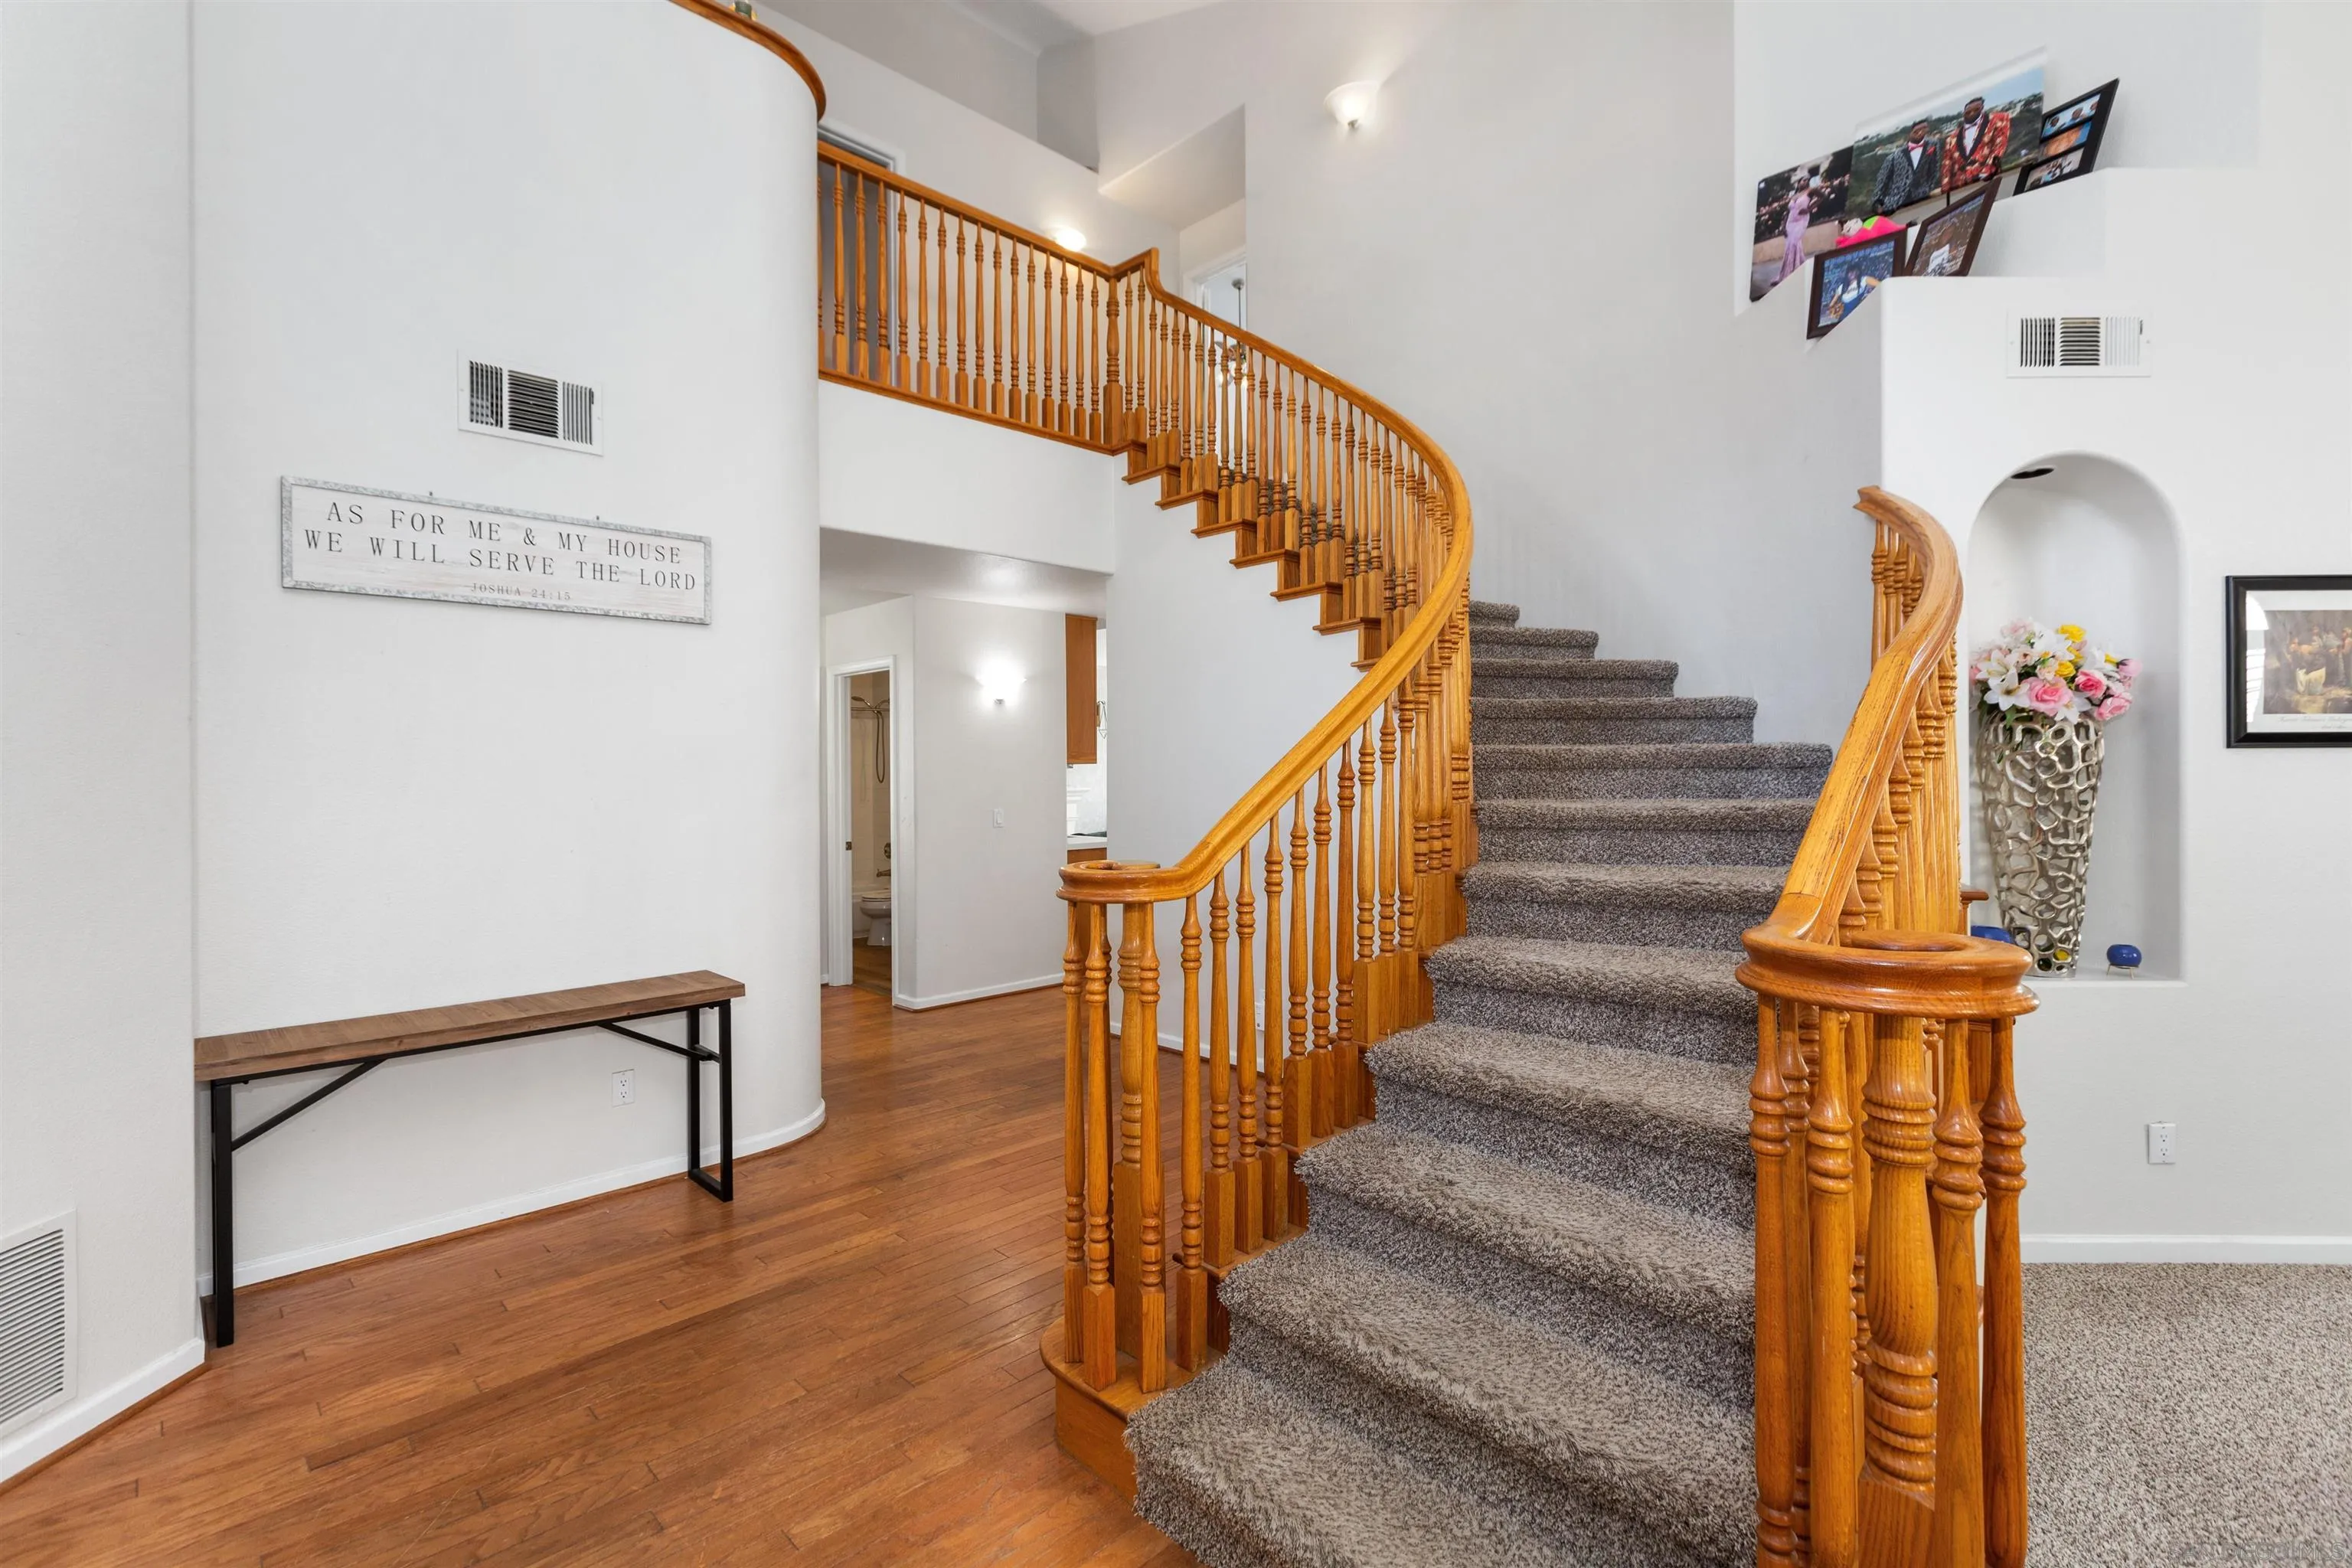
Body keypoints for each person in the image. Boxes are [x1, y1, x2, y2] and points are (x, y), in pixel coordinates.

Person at [1870, 120, 1941, 214]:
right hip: (1896, 204)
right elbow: (1882, 181)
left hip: (1922, 198)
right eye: (1916, 131)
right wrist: (1878, 205)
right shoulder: (1895, 156)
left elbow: (1934, 170)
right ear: (1910, 133)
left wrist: (1927, 188)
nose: (1920, 133)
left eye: (1923, 129)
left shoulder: (1932, 145)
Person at [1943, 95, 2011, 192]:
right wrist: (1946, 189)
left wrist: (1987, 170)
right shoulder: (1951, 138)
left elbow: (1999, 147)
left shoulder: (1997, 121)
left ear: (1982, 108)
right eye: (1968, 111)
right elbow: (1947, 167)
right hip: (1961, 187)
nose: (1972, 113)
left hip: (1989, 179)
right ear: (1964, 113)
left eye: (1976, 109)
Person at [1780, 175, 1818, 282]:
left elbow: (1823, 196)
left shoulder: (1810, 191)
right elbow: (1788, 212)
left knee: (1794, 243)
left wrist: (1809, 209)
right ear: (1799, 182)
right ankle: (1792, 269)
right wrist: (1783, 227)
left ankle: (1796, 269)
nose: (1806, 182)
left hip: (1801, 220)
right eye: (1804, 180)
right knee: (1790, 245)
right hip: (1790, 222)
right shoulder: (1794, 196)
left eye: (1808, 180)